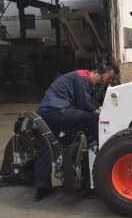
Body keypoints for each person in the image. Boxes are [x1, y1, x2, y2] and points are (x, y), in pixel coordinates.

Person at [34, 63, 106, 201]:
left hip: (45, 114)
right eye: (101, 78)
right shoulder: (83, 77)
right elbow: (84, 104)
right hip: (57, 111)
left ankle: (41, 189)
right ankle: (104, 148)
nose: (100, 82)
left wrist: (100, 107)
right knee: (91, 118)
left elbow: (88, 100)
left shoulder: (76, 76)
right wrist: (101, 113)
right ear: (96, 72)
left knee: (46, 149)